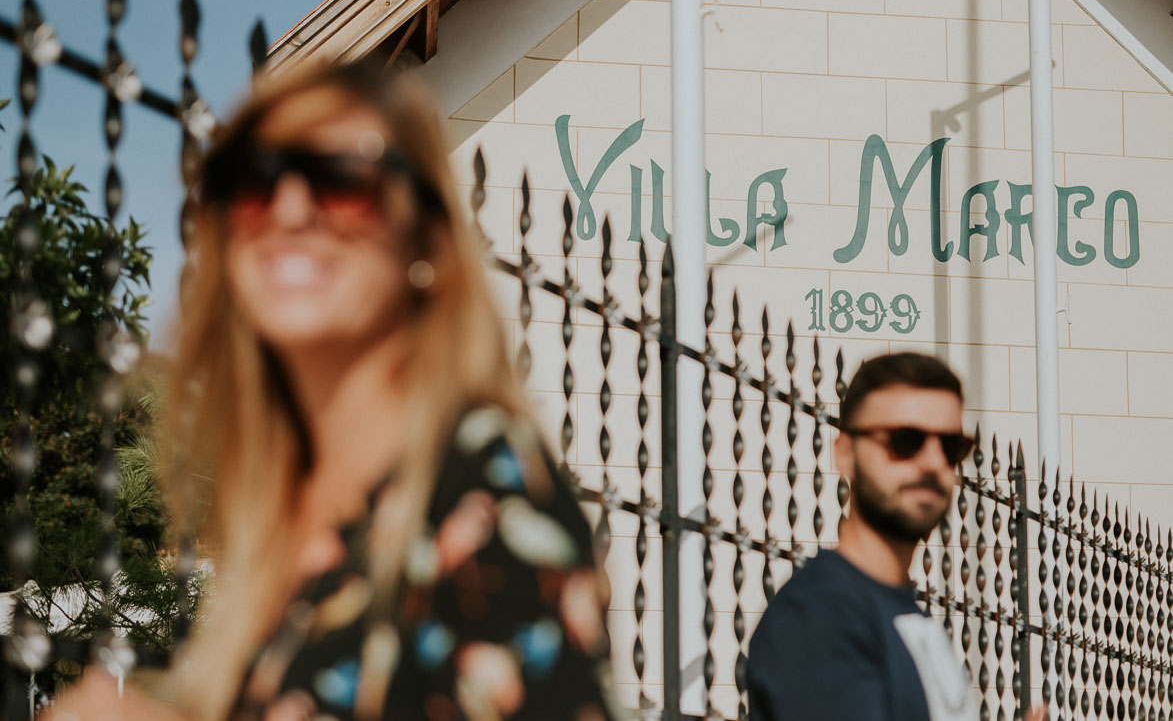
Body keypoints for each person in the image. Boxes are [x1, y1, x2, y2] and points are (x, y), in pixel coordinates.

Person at [47, 60, 617, 721]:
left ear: (425, 239)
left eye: (343, 179)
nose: (290, 209)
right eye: (255, 182)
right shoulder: (281, 506)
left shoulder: (481, 478)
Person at [748, 352, 989, 721]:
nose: (933, 462)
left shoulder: (902, 612)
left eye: (951, 447)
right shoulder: (821, 614)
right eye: (905, 441)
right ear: (845, 454)